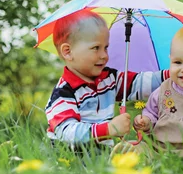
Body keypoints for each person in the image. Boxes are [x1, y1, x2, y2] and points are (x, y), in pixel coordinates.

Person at [44, 9, 170, 152]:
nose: (104, 55)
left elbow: (140, 83)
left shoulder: (109, 78)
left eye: (106, 48)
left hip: (101, 156)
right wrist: (109, 129)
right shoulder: (63, 93)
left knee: (139, 152)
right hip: (71, 159)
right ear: (68, 51)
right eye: (96, 48)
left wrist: (172, 75)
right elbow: (68, 132)